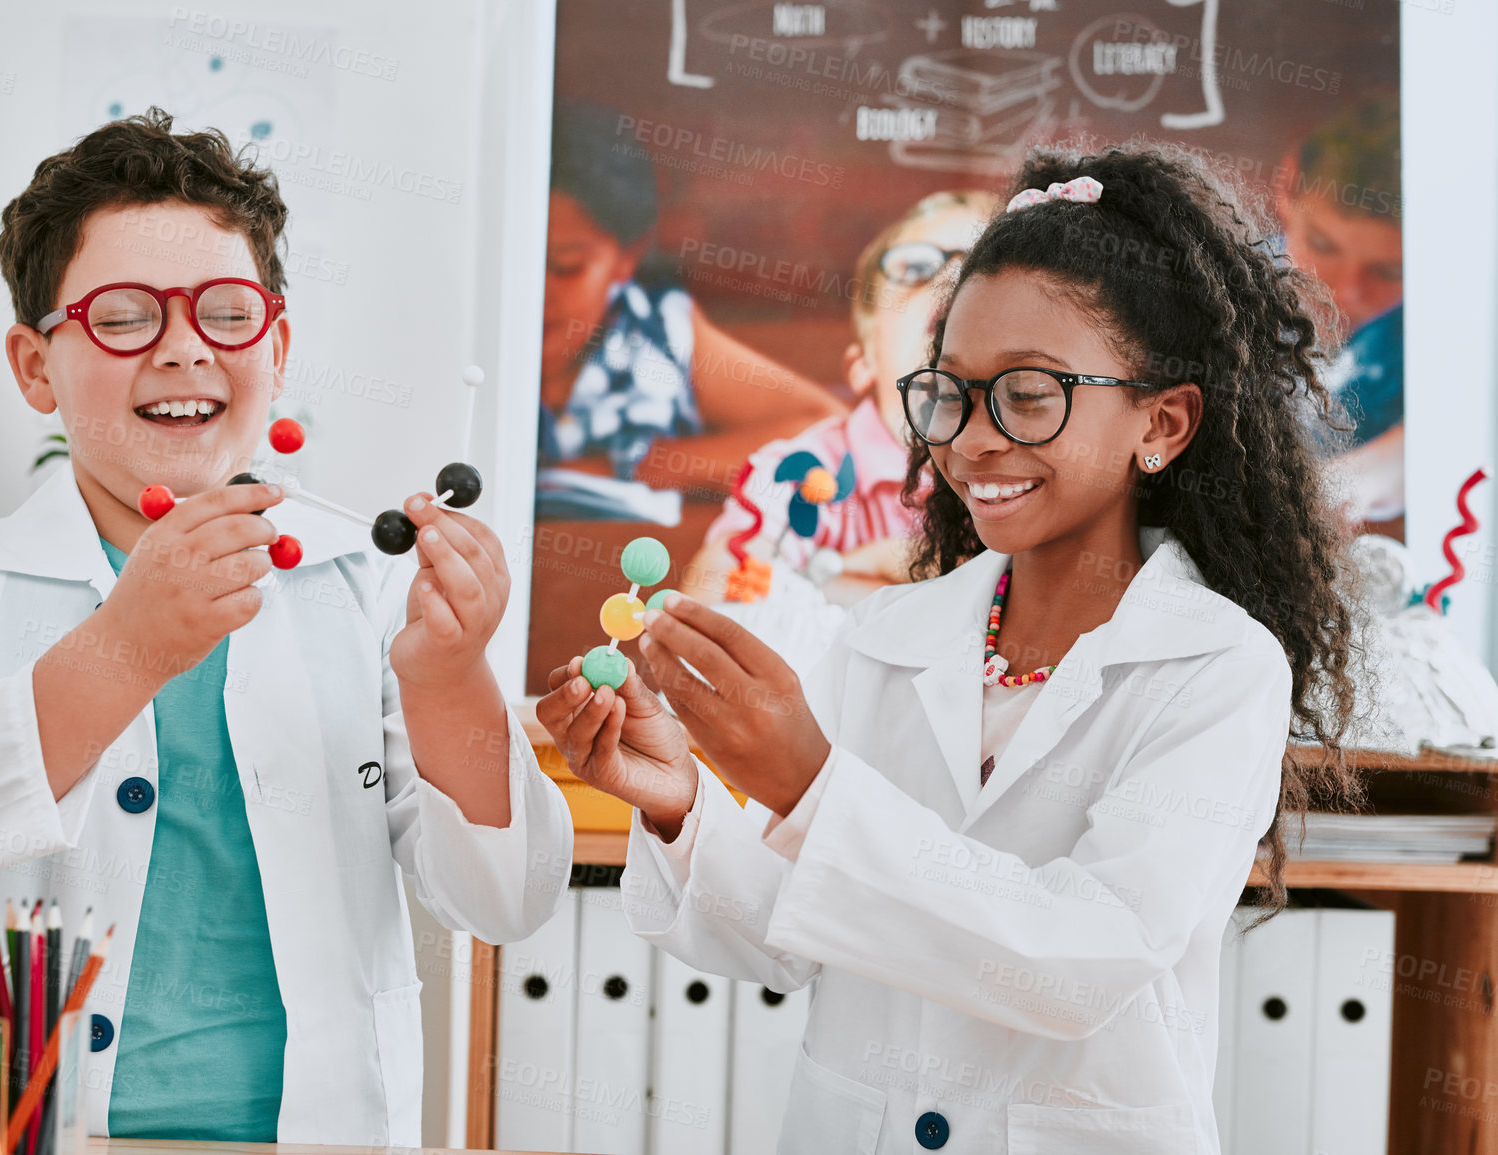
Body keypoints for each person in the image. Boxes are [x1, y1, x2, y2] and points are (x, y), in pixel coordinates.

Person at [537, 141, 1361, 1153]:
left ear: (1164, 420)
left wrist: (809, 784)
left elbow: (1079, 963)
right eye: (948, 392)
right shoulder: (893, 636)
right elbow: (791, 938)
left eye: (1028, 395)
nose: (970, 440)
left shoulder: (1216, 668)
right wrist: (683, 808)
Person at [0, 109, 571, 1144]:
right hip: (25, 1127)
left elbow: (505, 899)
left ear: (279, 343)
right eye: (124, 316)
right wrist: (125, 649)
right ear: (35, 365)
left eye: (226, 312)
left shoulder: (364, 580)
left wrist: (449, 679)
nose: (182, 351)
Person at [682, 190, 1001, 609]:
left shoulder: (1023, 469)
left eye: (981, 264)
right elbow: (714, 599)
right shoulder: (807, 470)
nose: (954, 275)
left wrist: (843, 574)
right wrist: (908, 584)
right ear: (863, 363)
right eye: (916, 266)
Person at [538, 99, 843, 497]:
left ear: (627, 257)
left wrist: (648, 468)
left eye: (565, 266)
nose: (539, 292)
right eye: (514, 265)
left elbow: (825, 424)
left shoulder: (656, 333)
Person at [1274, 96, 1403, 525]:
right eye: (1323, 245)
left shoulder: (1435, 328)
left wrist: (1361, 478)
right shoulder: (1212, 291)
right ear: (1286, 184)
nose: (1344, 292)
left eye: (1389, 271)